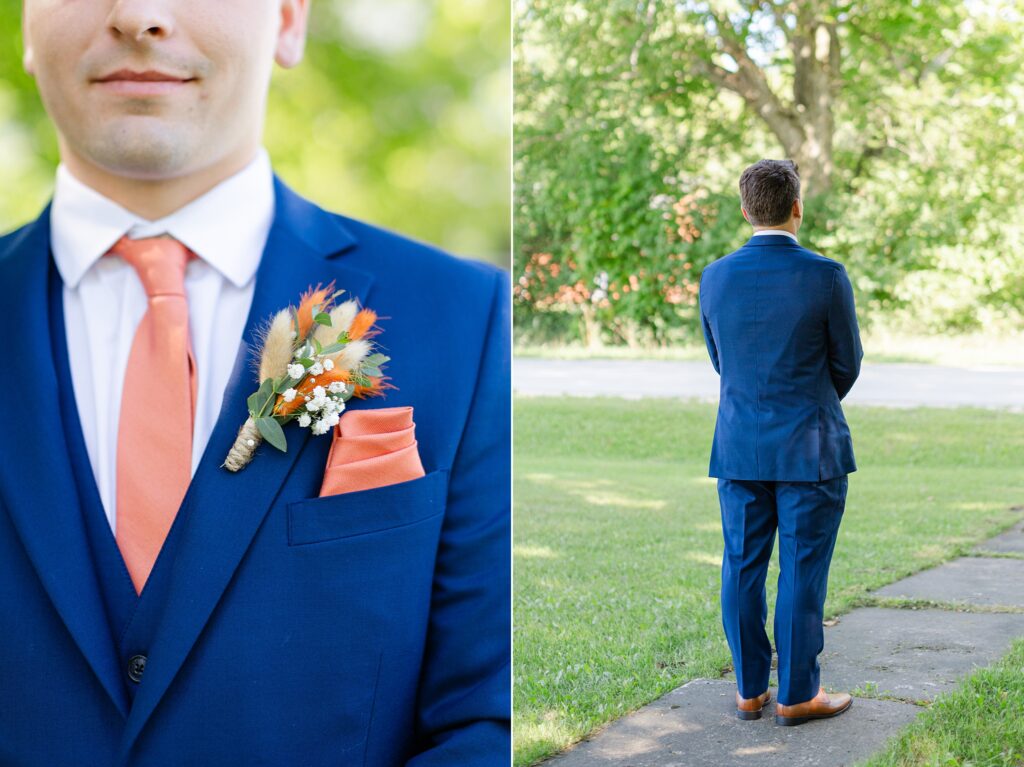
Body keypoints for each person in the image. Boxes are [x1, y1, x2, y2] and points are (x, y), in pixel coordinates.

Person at [0, 1, 510, 764]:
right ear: (26, 24)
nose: (140, 15)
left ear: (289, 18)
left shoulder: (469, 320)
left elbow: (485, 720)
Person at [698, 159, 862, 726]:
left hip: (740, 445)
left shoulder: (714, 276)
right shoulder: (826, 275)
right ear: (797, 207)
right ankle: (797, 693)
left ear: (746, 210)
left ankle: (748, 691)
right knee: (801, 570)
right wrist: (810, 398)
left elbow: (722, 362)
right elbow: (848, 364)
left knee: (741, 565)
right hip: (810, 449)